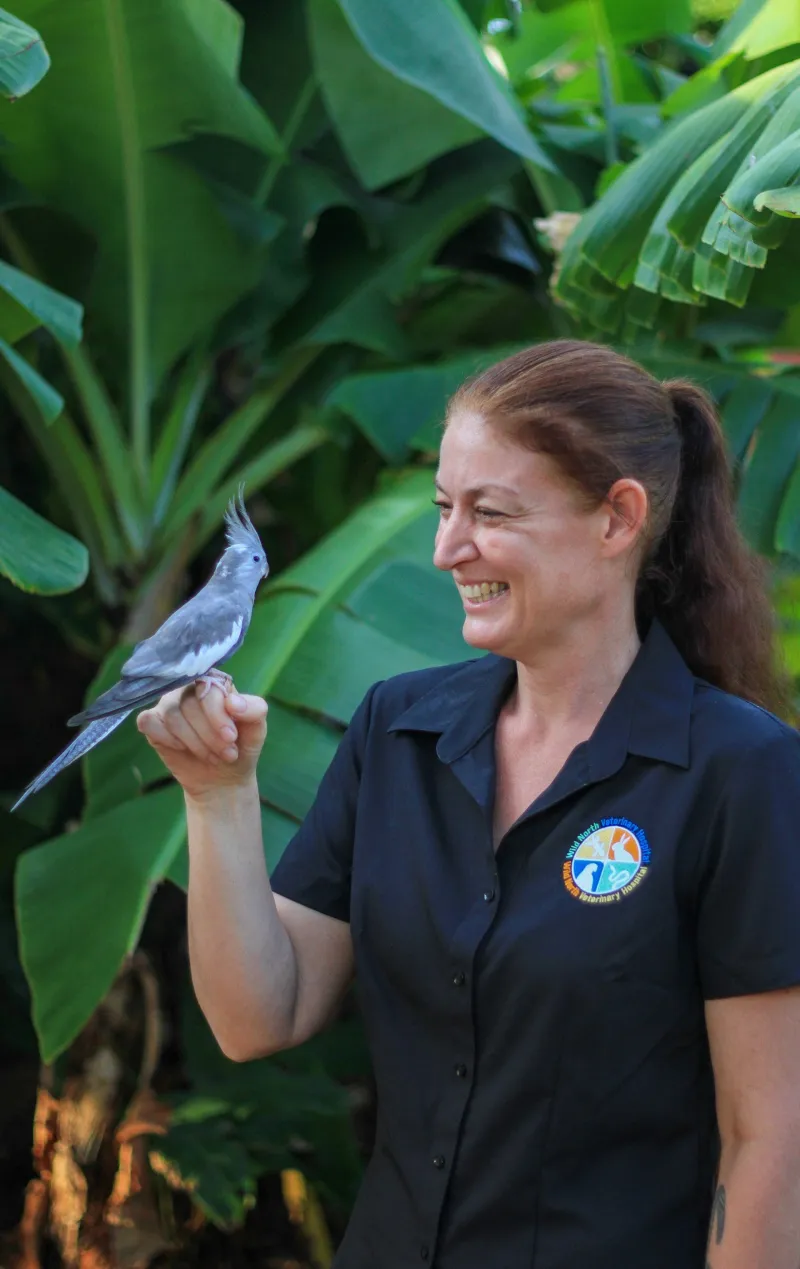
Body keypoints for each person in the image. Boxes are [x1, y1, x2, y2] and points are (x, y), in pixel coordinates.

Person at [137, 340, 800, 1269]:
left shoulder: (741, 771)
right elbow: (260, 1017)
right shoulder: (397, 732)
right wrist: (217, 798)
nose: (448, 548)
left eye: (490, 512)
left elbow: (769, 1137)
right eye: (445, 506)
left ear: (618, 519)